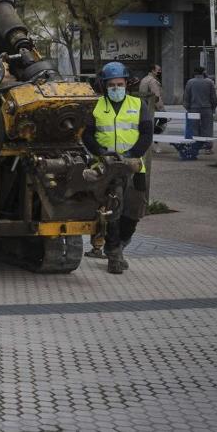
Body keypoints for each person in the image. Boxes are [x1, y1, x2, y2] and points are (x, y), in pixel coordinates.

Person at [82, 61, 153, 274]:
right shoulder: (96, 106)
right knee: (112, 212)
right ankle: (113, 254)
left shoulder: (138, 105)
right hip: (107, 168)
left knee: (133, 212)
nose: (116, 88)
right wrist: (101, 153)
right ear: (104, 86)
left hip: (133, 166)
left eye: (119, 84)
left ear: (126, 84)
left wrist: (132, 154)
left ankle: (120, 246)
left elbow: (146, 134)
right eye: (111, 85)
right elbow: (87, 135)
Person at [183, 66, 217, 153]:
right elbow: (213, 97)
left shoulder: (190, 82)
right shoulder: (209, 82)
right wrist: (213, 107)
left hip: (193, 108)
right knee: (207, 128)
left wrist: (188, 107)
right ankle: (207, 147)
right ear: (203, 72)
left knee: (194, 128)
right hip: (207, 108)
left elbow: (186, 97)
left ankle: (195, 146)